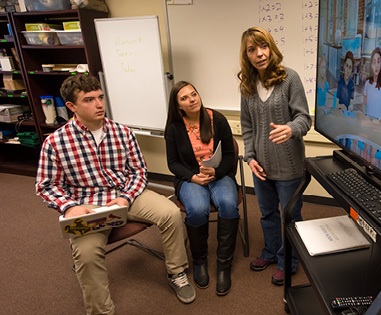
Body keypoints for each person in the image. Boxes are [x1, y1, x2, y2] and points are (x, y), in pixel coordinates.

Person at [35, 75, 194, 315]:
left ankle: (177, 272)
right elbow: (47, 185)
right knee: (86, 255)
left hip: (125, 193)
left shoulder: (122, 132)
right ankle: (101, 311)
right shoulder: (56, 142)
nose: (99, 104)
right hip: (87, 205)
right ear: (71, 107)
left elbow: (139, 171)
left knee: (171, 213)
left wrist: (125, 198)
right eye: (89, 100)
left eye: (100, 97)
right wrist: (68, 207)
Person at [237, 27, 311, 285]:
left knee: (290, 216)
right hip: (261, 168)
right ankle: (271, 252)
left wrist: (291, 129)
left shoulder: (290, 78)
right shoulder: (247, 87)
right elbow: (246, 127)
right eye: (252, 49)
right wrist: (250, 157)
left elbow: (304, 119)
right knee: (267, 214)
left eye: (263, 46)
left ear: (271, 48)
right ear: (246, 56)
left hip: (289, 166)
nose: (259, 54)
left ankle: (288, 260)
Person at [165, 81, 239, 296]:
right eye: (185, 98)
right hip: (191, 178)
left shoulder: (217, 119)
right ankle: (200, 262)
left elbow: (228, 155)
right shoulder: (174, 128)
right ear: (178, 105)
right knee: (197, 209)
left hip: (219, 174)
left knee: (228, 204)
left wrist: (216, 172)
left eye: (194, 94)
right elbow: (173, 163)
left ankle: (224, 265)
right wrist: (192, 177)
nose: (192, 99)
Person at [363, 47, 381, 120]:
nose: (376, 65)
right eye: (374, 62)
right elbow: (364, 103)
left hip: (378, 121)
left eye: (378, 62)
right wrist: (363, 116)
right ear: (371, 65)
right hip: (367, 119)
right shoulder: (367, 83)